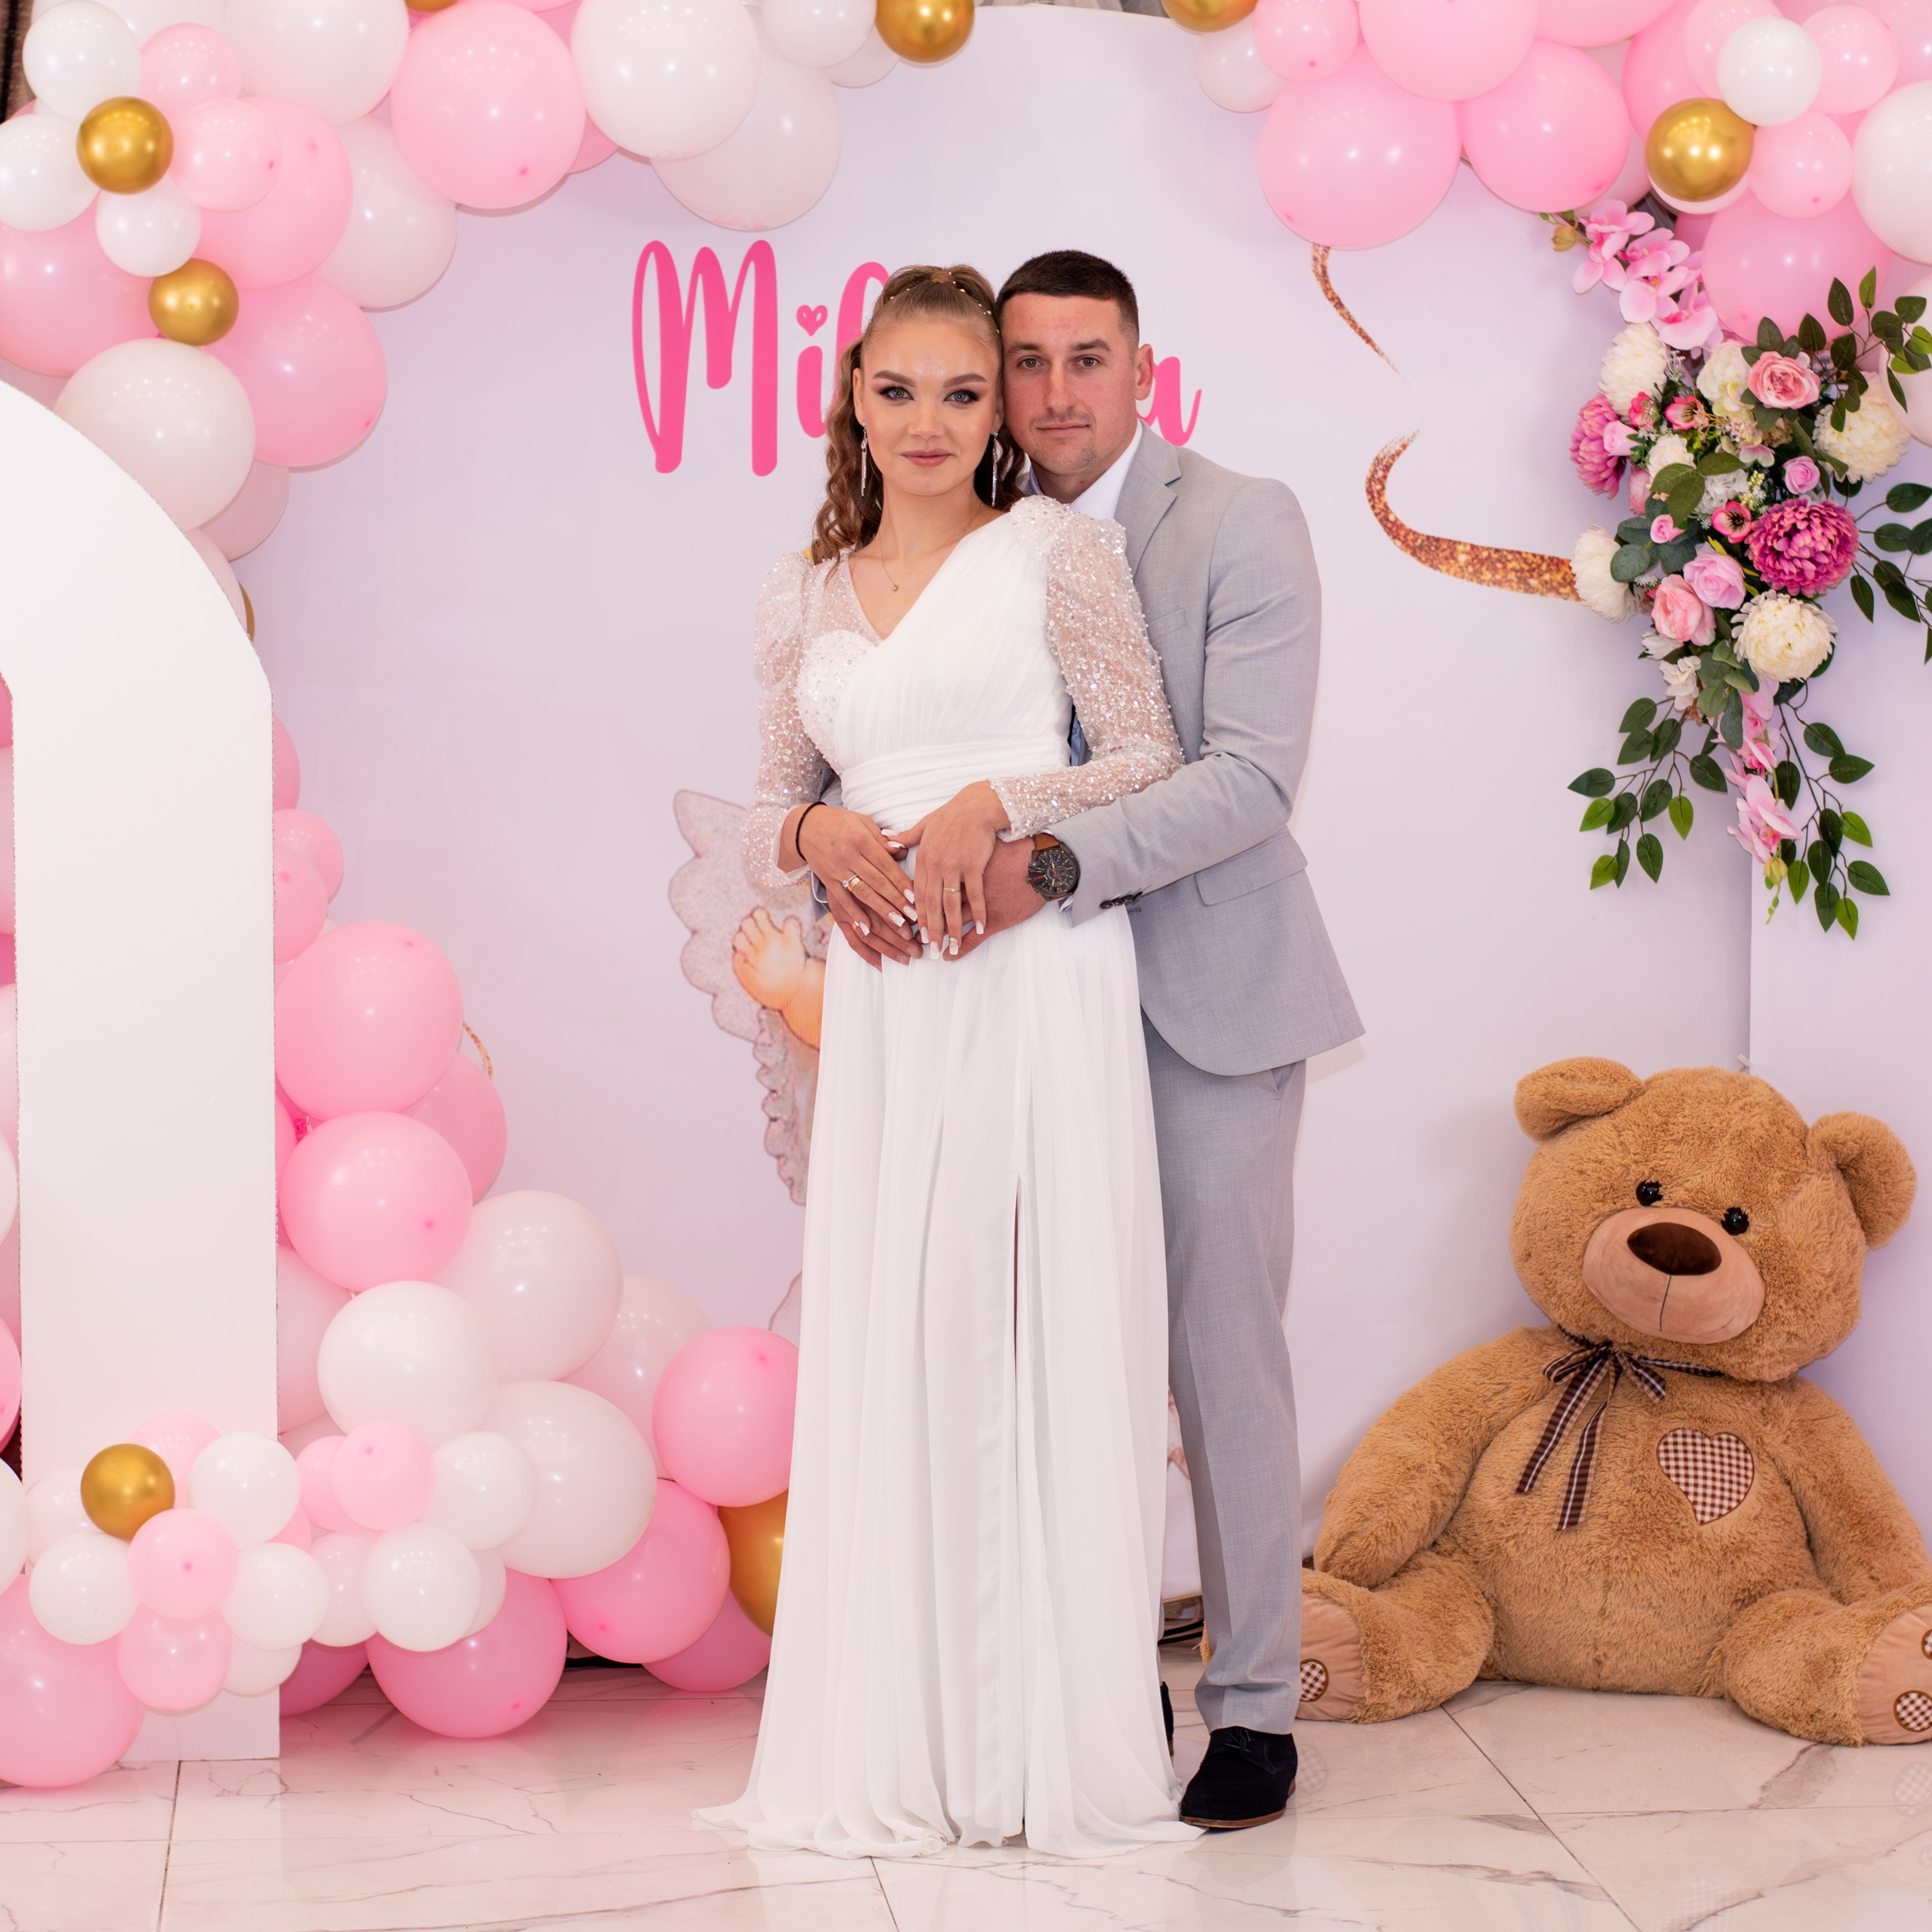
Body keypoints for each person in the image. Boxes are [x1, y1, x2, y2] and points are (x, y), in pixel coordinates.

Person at [824, 251, 1362, 1831]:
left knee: (1215, 1354)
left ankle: (1250, 1708)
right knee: (1025, 1343)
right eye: (1027, 360)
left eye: (1087, 359)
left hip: (1197, 1000)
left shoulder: (1238, 518)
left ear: (1141, 369)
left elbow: (1248, 776)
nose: (1054, 391)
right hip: (1001, 1007)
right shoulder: (964, 529)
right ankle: (1077, 1691)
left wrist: (1044, 862)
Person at [700, 263, 1198, 1859]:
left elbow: (1145, 757)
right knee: (903, 1326)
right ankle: (905, 1738)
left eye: (964, 392)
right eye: (898, 388)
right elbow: (769, 802)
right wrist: (813, 834)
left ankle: (1039, 1744)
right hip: (892, 995)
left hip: (1030, 969)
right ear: (853, 396)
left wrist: (998, 800)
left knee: (1033, 1315)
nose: (928, 421)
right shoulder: (801, 592)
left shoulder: (1059, 552)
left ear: (999, 412)